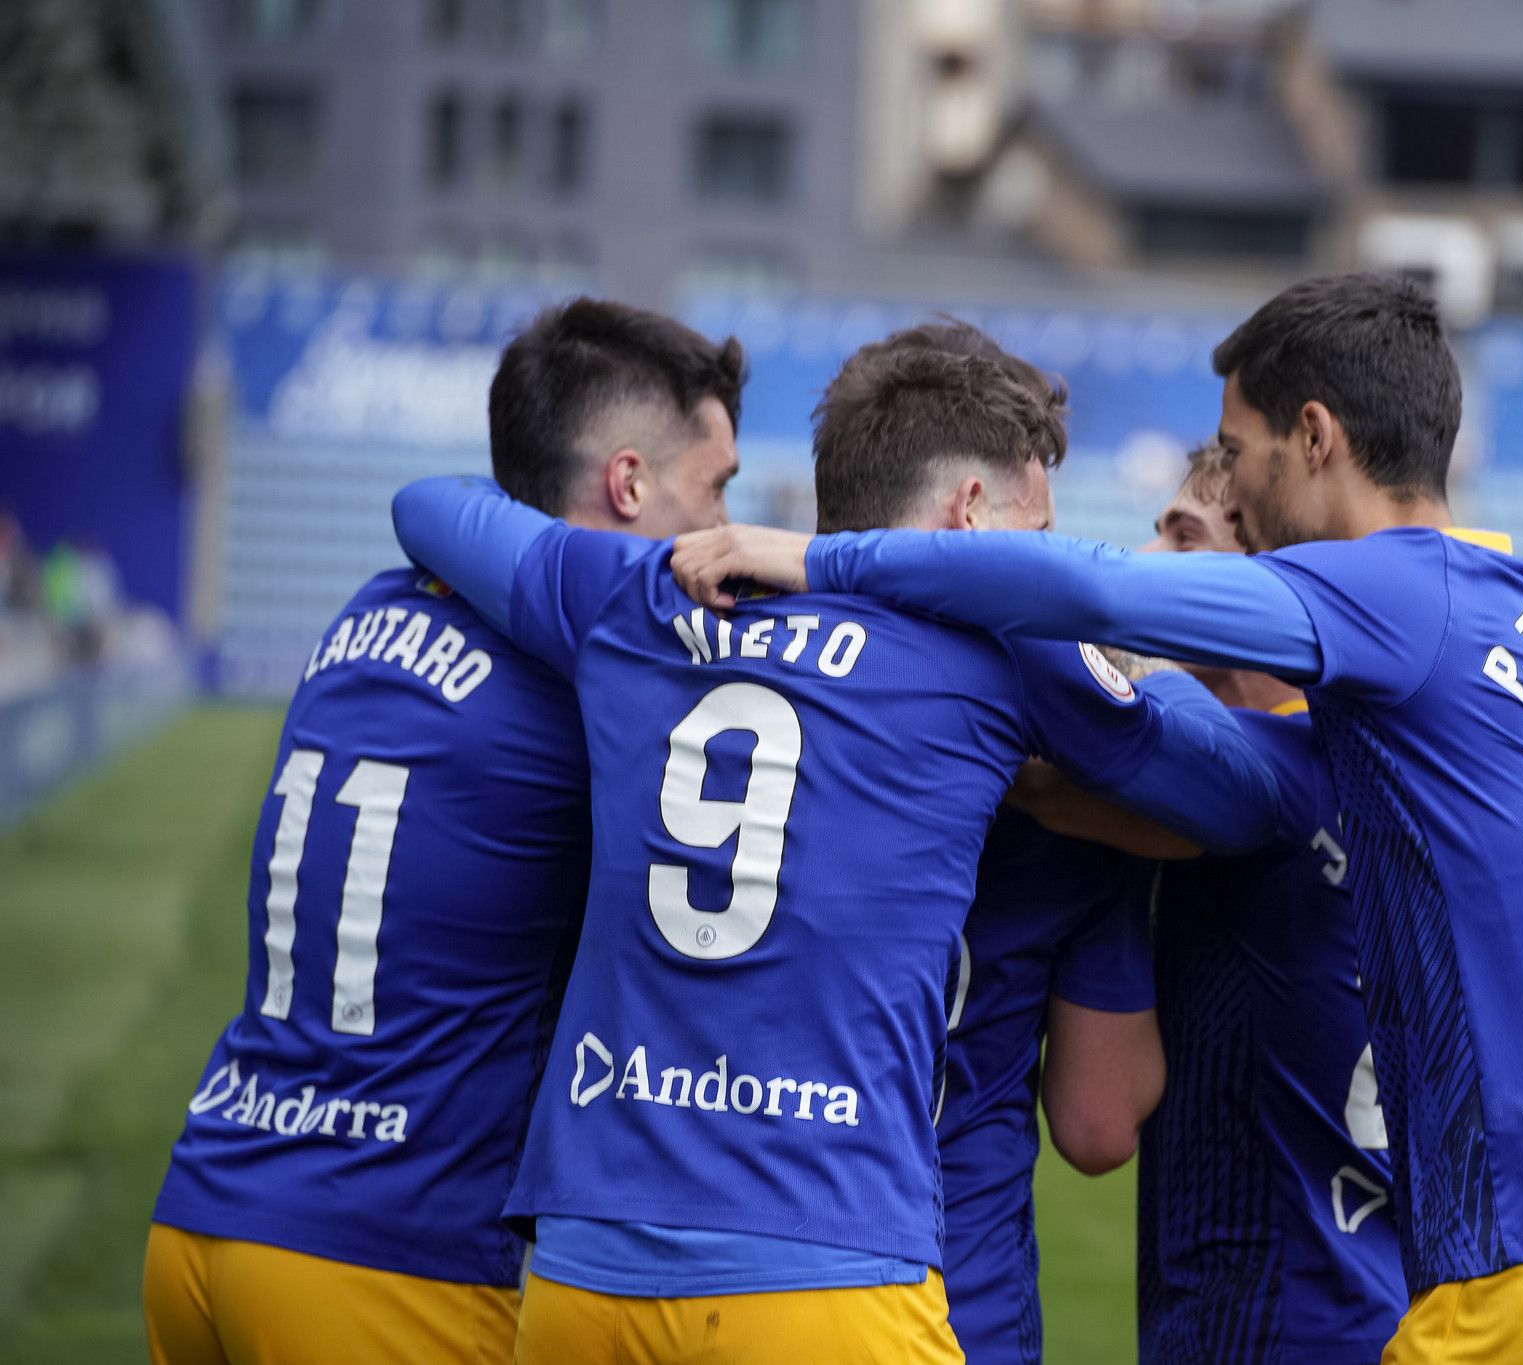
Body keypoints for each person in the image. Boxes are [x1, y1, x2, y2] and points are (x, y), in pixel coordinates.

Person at [670, 272, 1523, 1365]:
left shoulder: (1387, 602)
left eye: (1229, 473)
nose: (1220, 509)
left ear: (1313, 437)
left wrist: (819, 561)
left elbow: (1104, 611)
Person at [387, 343, 1279, 1362]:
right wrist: (1122, 652)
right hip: (828, 1255)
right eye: (1033, 537)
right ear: (969, 514)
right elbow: (1248, 797)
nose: (1043, 560)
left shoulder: (650, 596)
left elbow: (430, 505)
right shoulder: (999, 646)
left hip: (587, 1261)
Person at [144, 299, 746, 1365]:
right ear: (628, 483)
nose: (727, 532)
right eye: (717, 492)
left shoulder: (369, 612)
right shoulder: (599, 679)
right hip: (385, 1256)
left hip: (205, 1210)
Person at [840, 322, 1165, 1365]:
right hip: (949, 1290)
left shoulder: (702, 688)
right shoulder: (1079, 783)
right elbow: (1097, 1121)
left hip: (714, 1263)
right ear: (970, 513)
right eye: (1043, 533)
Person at [1138, 445, 1406, 1362]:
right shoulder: (1371, 761)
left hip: (1265, 1311)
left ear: (1257, 574)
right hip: (1377, 1294)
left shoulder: (1253, 778)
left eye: (1184, 538)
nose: (1144, 562)